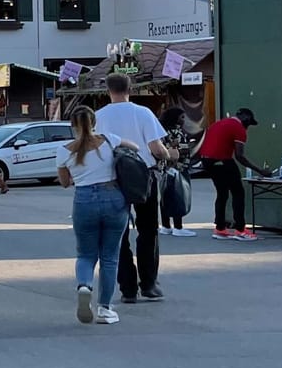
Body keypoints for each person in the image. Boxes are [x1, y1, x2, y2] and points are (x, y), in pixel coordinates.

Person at [93, 73, 174, 304]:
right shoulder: (143, 113)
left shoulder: (99, 117)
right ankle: (149, 284)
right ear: (131, 88)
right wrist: (168, 156)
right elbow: (156, 148)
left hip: (112, 177)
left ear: (107, 90)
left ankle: (127, 288)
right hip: (143, 176)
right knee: (148, 230)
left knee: (119, 234)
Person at [57, 106, 142, 325]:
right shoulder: (108, 139)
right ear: (94, 122)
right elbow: (134, 147)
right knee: (110, 257)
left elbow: (65, 183)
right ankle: (105, 309)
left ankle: (85, 285)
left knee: (85, 254)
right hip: (113, 197)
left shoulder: (64, 150)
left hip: (84, 200)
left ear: (72, 125)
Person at [195, 107, 273, 240]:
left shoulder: (218, 124)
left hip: (207, 160)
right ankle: (240, 230)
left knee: (222, 193)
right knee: (238, 192)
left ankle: (220, 228)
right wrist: (260, 170)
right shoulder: (238, 128)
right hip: (222, 160)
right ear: (246, 118)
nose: (248, 127)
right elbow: (240, 156)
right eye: (249, 123)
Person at [157, 106, 195, 237]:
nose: (184, 120)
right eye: (182, 117)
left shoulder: (162, 130)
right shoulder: (176, 132)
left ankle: (166, 225)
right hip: (178, 168)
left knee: (165, 196)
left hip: (165, 169)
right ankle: (178, 227)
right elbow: (180, 149)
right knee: (179, 196)